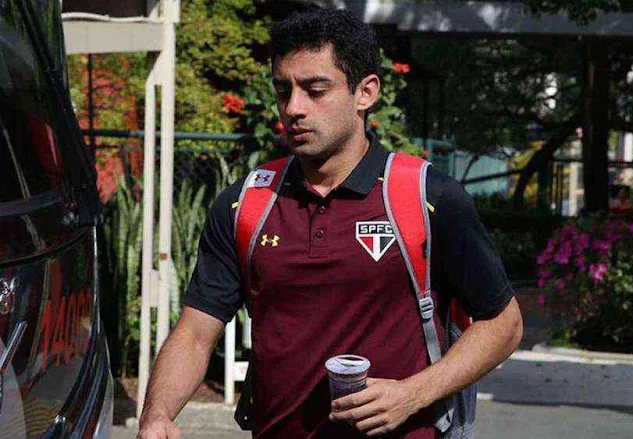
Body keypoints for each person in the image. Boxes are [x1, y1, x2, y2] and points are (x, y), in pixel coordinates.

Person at [138, 8, 523, 439]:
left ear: (366, 93)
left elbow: (503, 324)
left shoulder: (428, 197)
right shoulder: (244, 204)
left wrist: (413, 394)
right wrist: (157, 415)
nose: (293, 108)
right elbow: (195, 332)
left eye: (315, 90)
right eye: (283, 90)